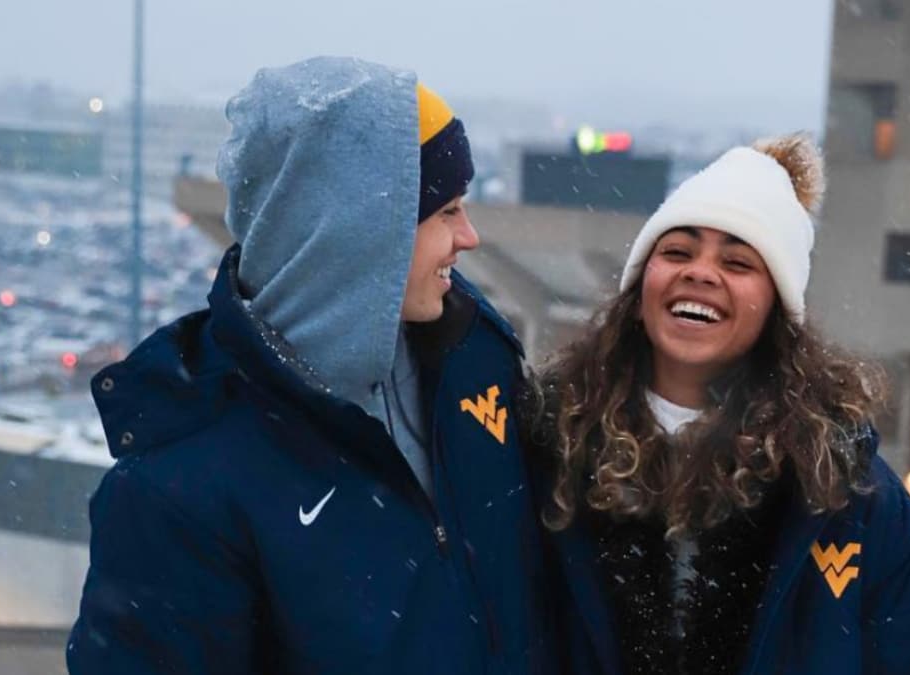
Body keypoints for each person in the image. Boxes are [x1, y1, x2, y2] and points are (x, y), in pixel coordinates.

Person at [68, 57, 554, 675]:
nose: (470, 237)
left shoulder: (473, 358)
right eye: (447, 211)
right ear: (357, 236)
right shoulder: (178, 489)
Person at [523, 134, 910, 674]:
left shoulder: (847, 496)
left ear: (777, 307)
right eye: (676, 251)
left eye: (738, 263)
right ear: (639, 285)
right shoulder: (543, 449)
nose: (699, 272)